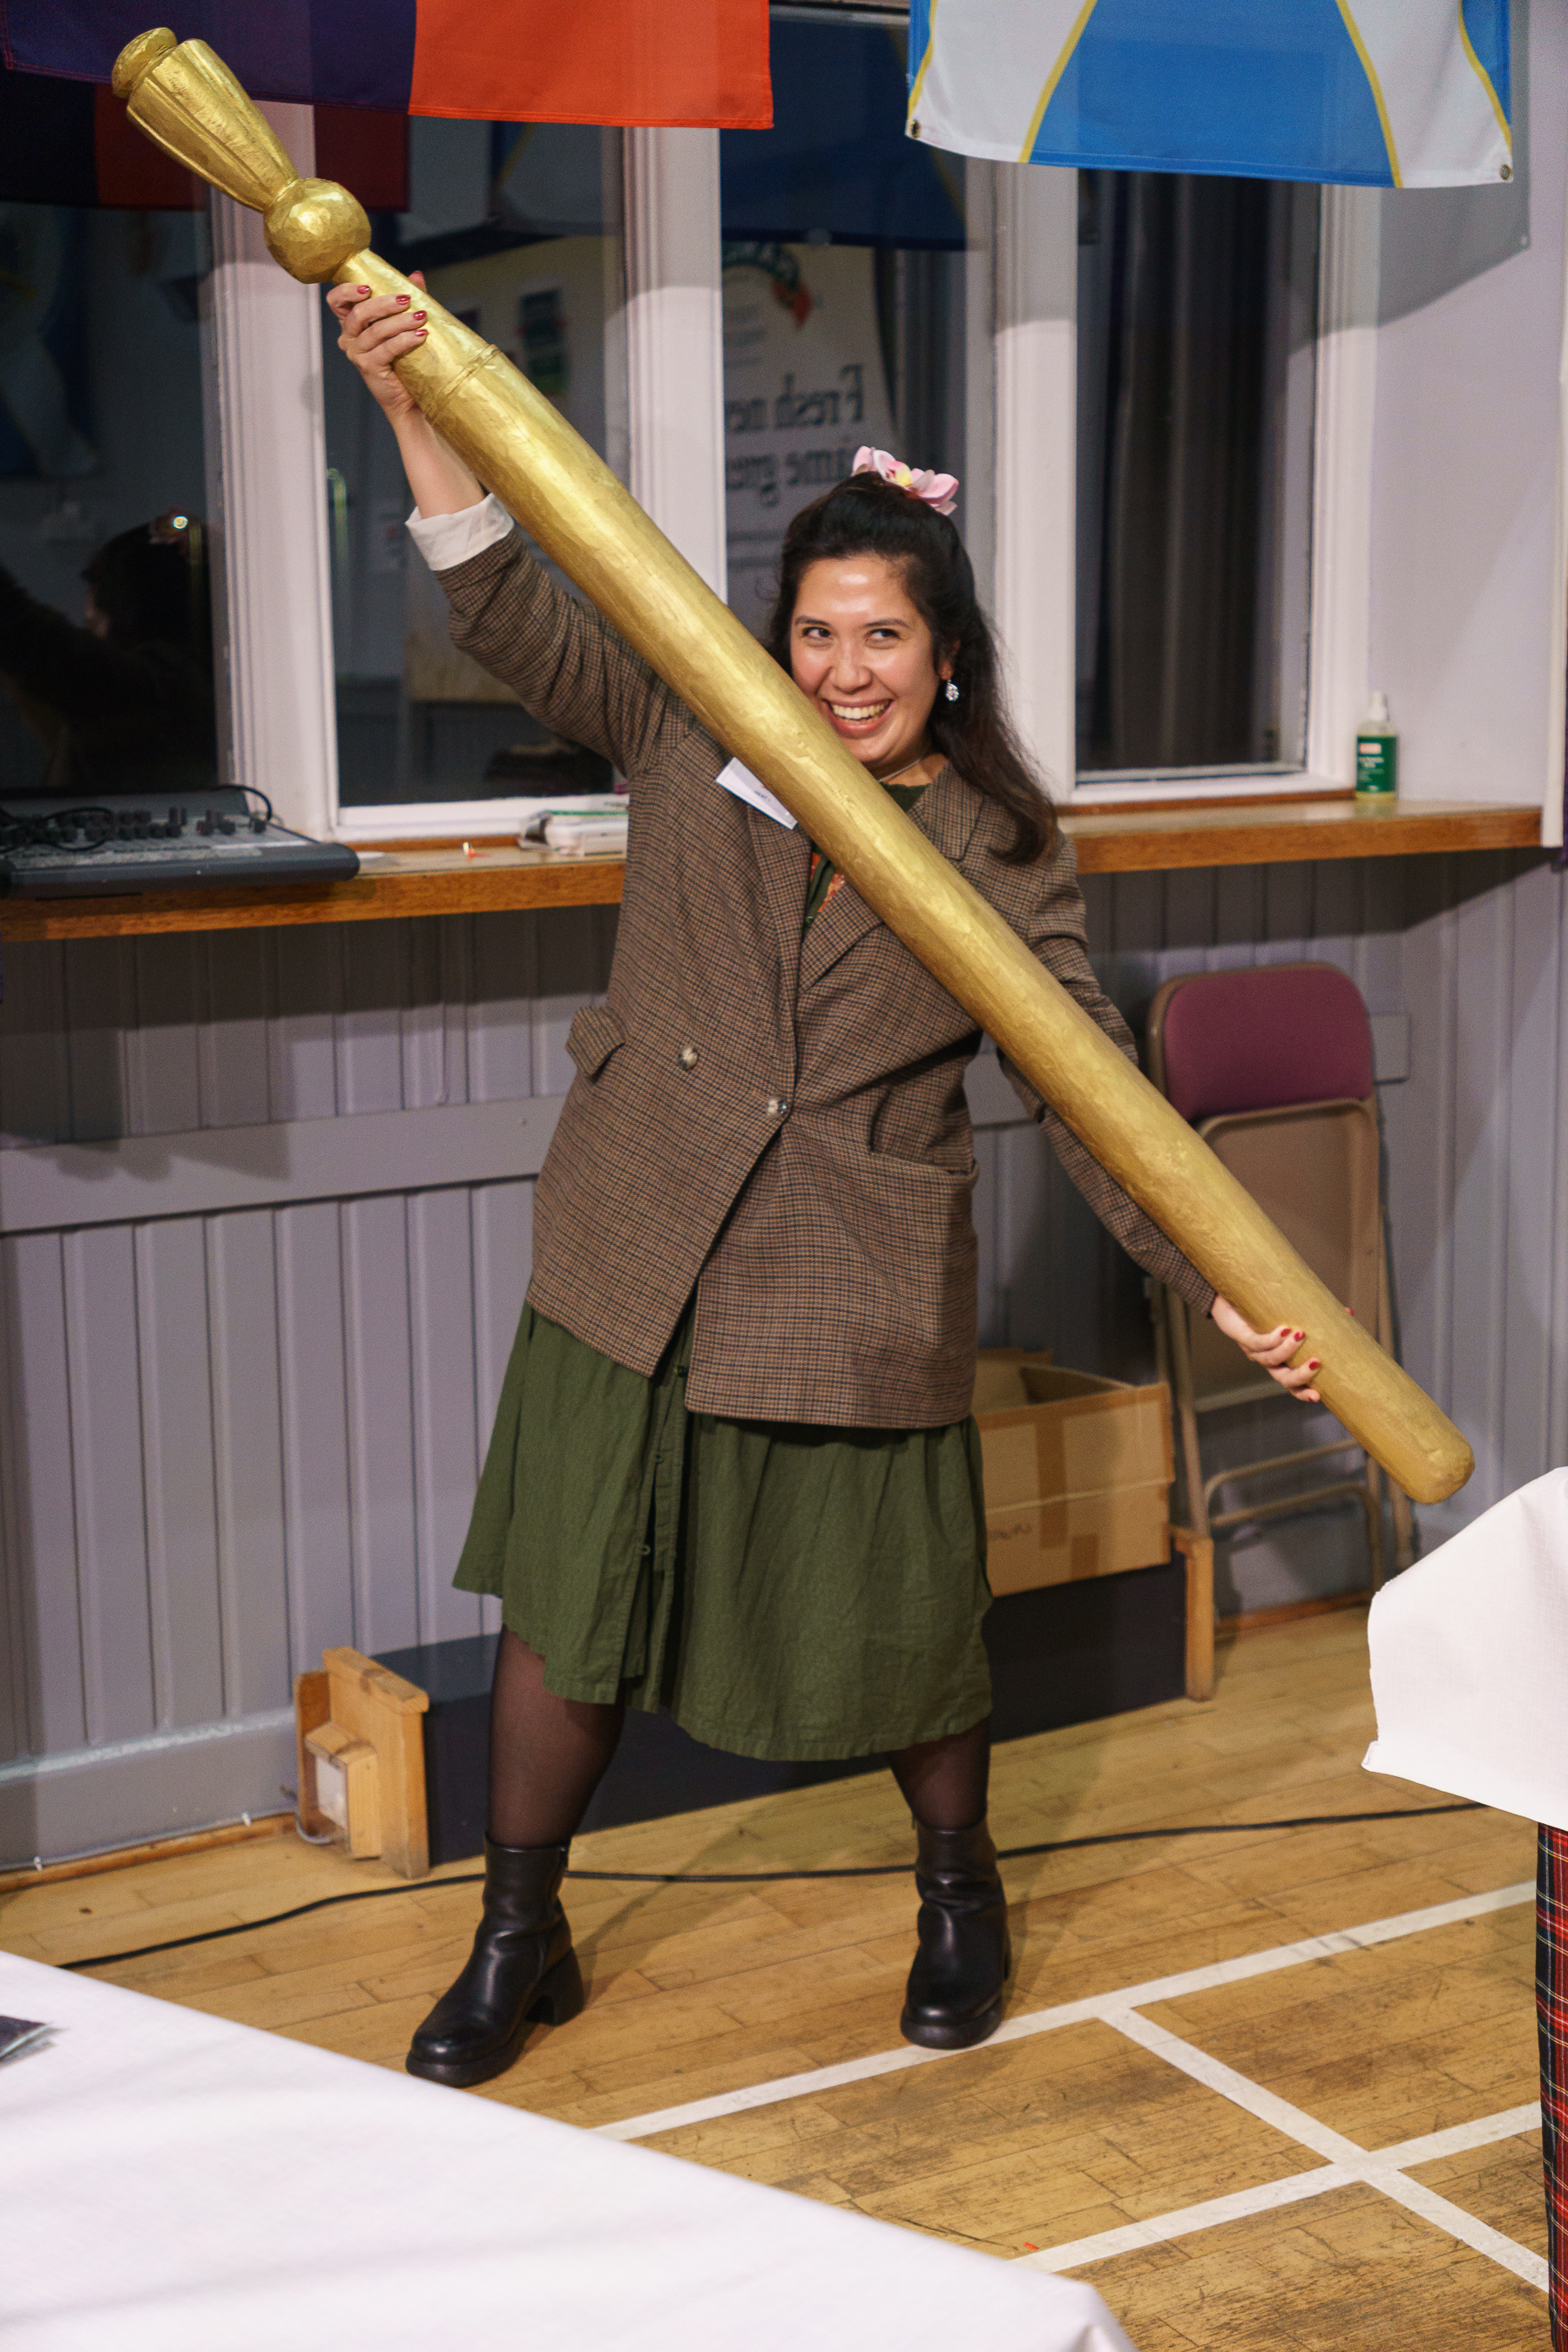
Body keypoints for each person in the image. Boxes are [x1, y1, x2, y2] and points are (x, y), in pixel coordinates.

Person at [328, 278, 1322, 2091]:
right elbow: (514, 605)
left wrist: (1227, 1287)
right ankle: (517, 1937)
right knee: (567, 1609)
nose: (844, 671)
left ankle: (959, 1894)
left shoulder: (1001, 847)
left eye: (881, 636)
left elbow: (1093, 1092)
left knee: (903, 1630)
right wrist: (413, 410)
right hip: (633, 1247)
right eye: (814, 633)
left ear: (947, 657)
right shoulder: (691, 728)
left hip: (849, 1276)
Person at [0, 510, 217, 796]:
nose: (88, 618)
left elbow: (31, 635)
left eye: (95, 596)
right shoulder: (182, 684)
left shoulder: (160, 685)